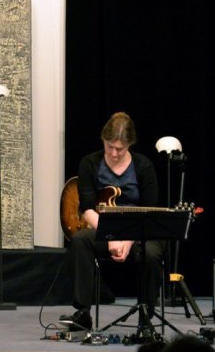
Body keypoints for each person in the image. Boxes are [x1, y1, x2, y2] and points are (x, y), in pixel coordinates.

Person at [61, 112, 162, 330]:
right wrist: (110, 234)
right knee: (80, 240)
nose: (114, 153)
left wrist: (125, 239)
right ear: (103, 140)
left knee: (152, 253)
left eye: (120, 149)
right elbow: (87, 207)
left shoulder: (143, 167)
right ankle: (83, 311)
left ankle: (146, 316)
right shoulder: (89, 163)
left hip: (137, 230)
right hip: (103, 227)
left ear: (130, 145)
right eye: (110, 147)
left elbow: (149, 210)